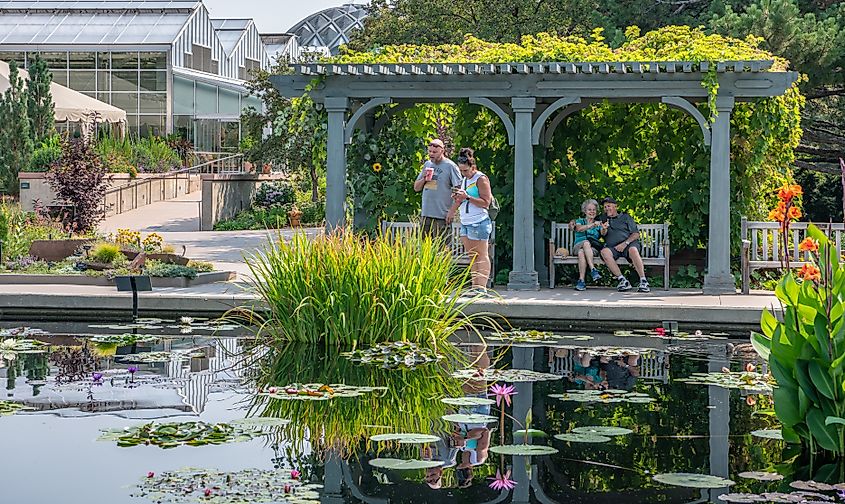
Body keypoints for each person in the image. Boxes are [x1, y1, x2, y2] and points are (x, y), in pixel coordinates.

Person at [446, 147, 493, 292]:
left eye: (466, 171)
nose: (463, 173)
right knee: (472, 256)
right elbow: (461, 199)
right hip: (465, 222)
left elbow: (486, 202)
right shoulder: (465, 180)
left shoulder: (481, 179)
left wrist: (467, 197)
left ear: (473, 166)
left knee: (481, 254)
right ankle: (475, 286)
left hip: (478, 221)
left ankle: (482, 287)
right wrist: (452, 210)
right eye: (461, 171)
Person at [413, 138, 461, 242]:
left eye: (434, 152)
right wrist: (424, 179)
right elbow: (416, 188)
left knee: (442, 250)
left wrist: (452, 211)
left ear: (442, 151)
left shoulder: (450, 166)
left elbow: (459, 191)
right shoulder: (427, 165)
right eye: (429, 151)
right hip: (426, 215)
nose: (431, 154)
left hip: (442, 216)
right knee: (424, 249)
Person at [598, 197, 650, 292]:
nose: (606, 209)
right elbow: (602, 234)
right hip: (613, 248)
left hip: (628, 245)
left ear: (615, 206)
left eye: (608, 206)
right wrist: (604, 228)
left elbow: (636, 234)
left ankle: (643, 281)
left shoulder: (625, 217)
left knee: (633, 250)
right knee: (604, 252)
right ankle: (623, 280)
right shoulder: (603, 218)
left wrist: (625, 243)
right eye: (605, 207)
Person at [569, 198, 603, 291]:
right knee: (585, 243)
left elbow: (603, 233)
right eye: (589, 209)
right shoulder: (580, 221)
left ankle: (581, 281)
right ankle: (593, 269)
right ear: (584, 211)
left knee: (581, 252)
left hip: (592, 250)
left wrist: (603, 228)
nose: (592, 212)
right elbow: (579, 229)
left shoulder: (598, 223)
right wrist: (591, 225)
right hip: (577, 245)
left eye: (594, 210)